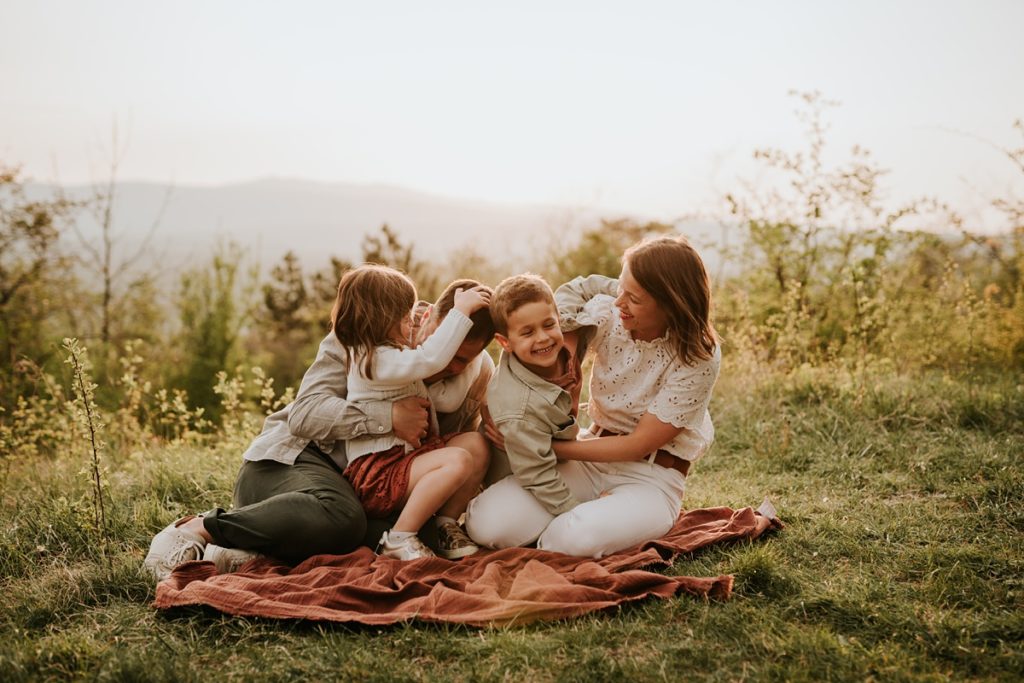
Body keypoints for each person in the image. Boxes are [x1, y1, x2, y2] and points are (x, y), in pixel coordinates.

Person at [143, 274, 495, 580]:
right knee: (342, 519)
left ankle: (247, 553)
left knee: (414, 534)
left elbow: (449, 461)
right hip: (295, 460)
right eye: (447, 349)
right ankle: (200, 528)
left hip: (371, 484)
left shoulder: (473, 376)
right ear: (427, 316)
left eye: (461, 360)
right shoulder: (364, 335)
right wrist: (388, 417)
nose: (449, 364)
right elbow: (306, 414)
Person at [466, 235, 721, 557]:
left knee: (570, 539)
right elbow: (567, 299)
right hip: (588, 453)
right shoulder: (610, 314)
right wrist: (568, 361)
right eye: (621, 289)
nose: (619, 302)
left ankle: (592, 521)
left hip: (651, 476)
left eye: (634, 298)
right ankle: (582, 517)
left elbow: (638, 444)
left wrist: (543, 447)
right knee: (485, 523)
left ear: (671, 302)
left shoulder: (699, 356)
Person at [336, 265, 491, 560]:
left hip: (408, 460)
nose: (413, 321)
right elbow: (430, 358)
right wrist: (461, 310)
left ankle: (445, 526)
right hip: (378, 473)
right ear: (381, 320)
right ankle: (398, 538)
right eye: (405, 317)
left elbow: (443, 397)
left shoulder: (391, 356)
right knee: (457, 460)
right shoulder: (373, 360)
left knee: (476, 446)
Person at [471, 273, 587, 525]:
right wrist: (578, 515)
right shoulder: (516, 409)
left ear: (559, 319)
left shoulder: (566, 342)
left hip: (554, 454)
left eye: (548, 325)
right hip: (517, 477)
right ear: (505, 342)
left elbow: (582, 287)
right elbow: (538, 475)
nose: (543, 338)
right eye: (527, 333)